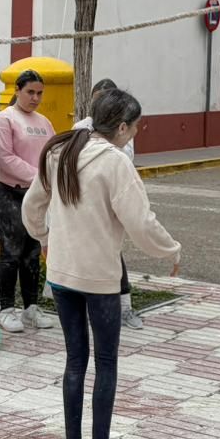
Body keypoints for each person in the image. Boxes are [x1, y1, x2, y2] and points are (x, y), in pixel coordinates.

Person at [23, 89, 181, 439]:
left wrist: (44, 237)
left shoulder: (59, 150)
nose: (134, 134)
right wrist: (170, 249)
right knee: (105, 363)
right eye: (135, 127)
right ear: (123, 126)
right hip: (99, 278)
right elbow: (140, 221)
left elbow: (32, 205)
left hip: (61, 273)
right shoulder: (114, 162)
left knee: (75, 361)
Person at [73, 78, 141, 331]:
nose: (101, 102)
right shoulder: (80, 127)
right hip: (84, 200)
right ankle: (86, 308)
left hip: (111, 198)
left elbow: (126, 157)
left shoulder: (122, 129)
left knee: (113, 253)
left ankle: (124, 307)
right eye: (97, 97)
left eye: (106, 97)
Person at [0, 69, 54, 333]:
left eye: (39, 93)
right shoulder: (5, 120)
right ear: (17, 91)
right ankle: (6, 309)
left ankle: (31, 307)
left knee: (32, 252)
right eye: (30, 92)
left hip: (36, 194)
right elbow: (5, 158)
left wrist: (48, 180)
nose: (35, 98)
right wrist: (39, 177)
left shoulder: (44, 122)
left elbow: (52, 153)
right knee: (11, 251)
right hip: (9, 191)